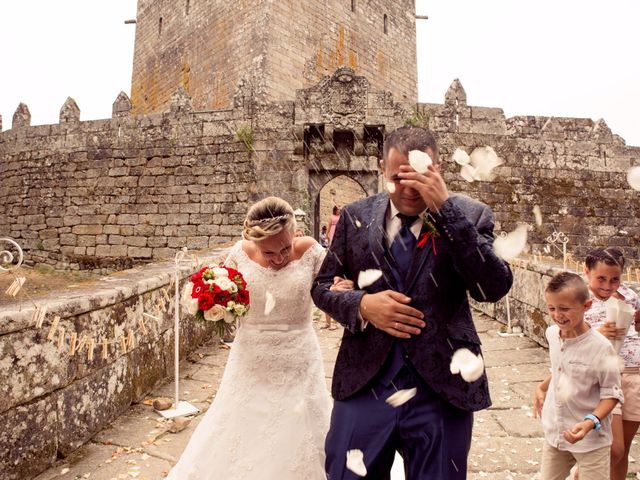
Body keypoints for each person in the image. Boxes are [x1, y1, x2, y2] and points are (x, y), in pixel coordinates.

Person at [311, 126, 513, 479]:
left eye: (419, 176)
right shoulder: (354, 216)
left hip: (442, 386)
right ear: (381, 168)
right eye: (397, 177)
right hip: (365, 381)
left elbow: (492, 287)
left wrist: (446, 211)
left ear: (437, 169)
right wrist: (362, 306)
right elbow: (323, 286)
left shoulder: (471, 214)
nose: (408, 188)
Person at [166, 196, 351, 480]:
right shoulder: (239, 253)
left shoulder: (312, 251)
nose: (279, 259)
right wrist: (215, 305)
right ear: (253, 242)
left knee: (300, 427)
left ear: (294, 231)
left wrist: (340, 288)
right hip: (250, 356)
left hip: (299, 356)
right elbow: (220, 288)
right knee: (240, 423)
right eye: (269, 253)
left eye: (285, 248)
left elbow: (331, 287)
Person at [533, 271, 623, 480]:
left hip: (591, 440)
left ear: (587, 306)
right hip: (556, 434)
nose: (557, 315)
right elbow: (560, 369)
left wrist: (591, 421)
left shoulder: (601, 348)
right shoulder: (552, 334)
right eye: (552, 308)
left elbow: (612, 394)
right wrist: (541, 387)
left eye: (564, 308)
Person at [582, 247, 640, 479]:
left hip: (635, 374)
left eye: (615, 279)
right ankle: (582, 474)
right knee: (612, 449)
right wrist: (597, 333)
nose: (607, 285)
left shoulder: (630, 296)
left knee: (622, 451)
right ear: (587, 272)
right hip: (605, 377)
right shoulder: (579, 299)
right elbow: (567, 337)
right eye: (601, 279)